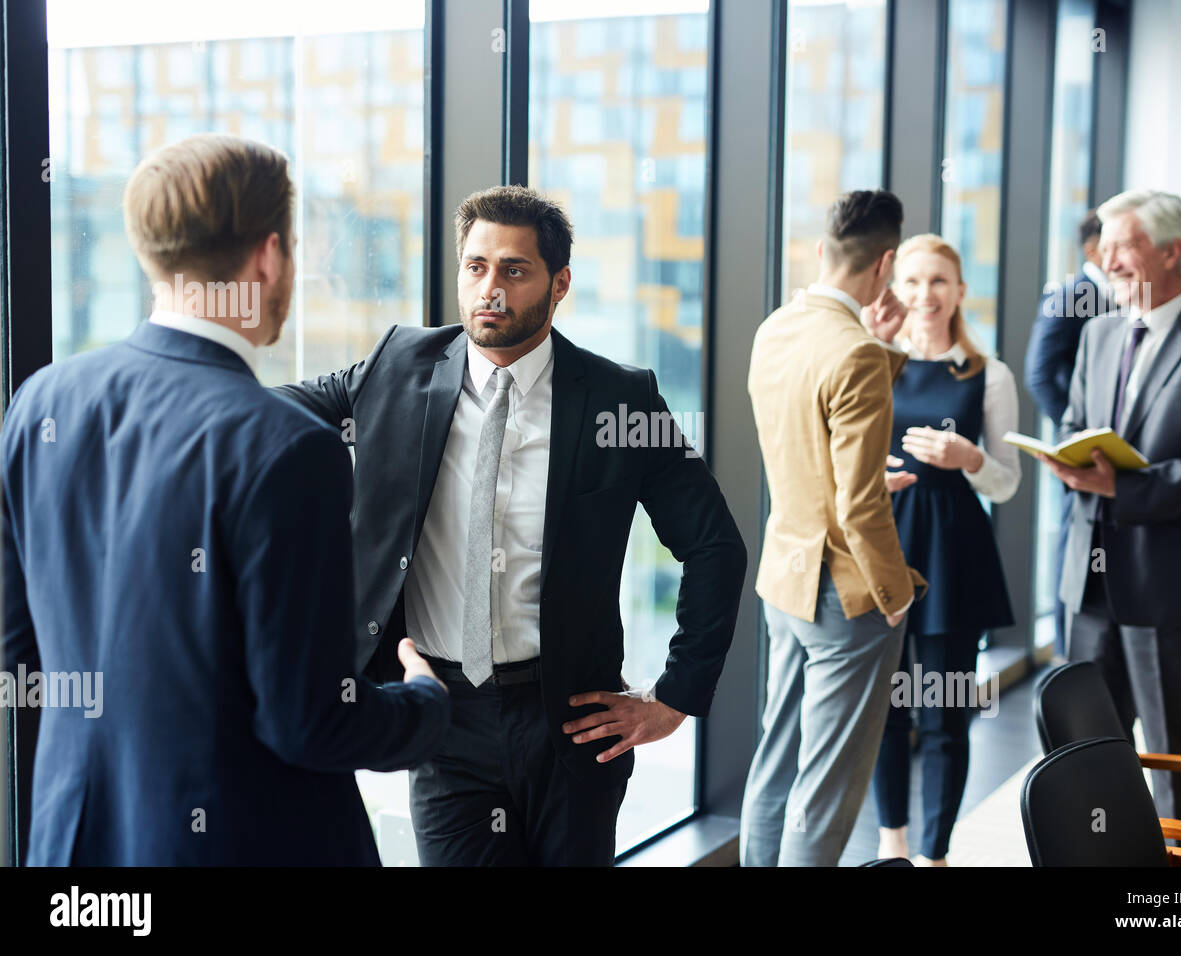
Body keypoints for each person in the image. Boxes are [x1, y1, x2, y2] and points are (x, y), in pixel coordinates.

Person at [1, 134, 450, 865]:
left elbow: (20, 655)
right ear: (269, 257)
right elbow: (310, 723)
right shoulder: (289, 447)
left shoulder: (41, 403)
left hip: (78, 853)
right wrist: (424, 705)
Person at [276, 185, 746, 867]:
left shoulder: (618, 399)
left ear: (559, 285)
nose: (489, 288)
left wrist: (675, 695)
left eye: (513, 270)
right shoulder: (395, 369)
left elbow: (714, 547)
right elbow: (268, 414)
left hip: (572, 718)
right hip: (442, 717)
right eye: (475, 267)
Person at [1042, 189, 1181, 840]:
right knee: (1085, 770)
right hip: (1088, 592)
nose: (1106, 259)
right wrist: (1067, 462)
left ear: (1172, 251)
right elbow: (1077, 427)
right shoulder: (1097, 335)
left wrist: (1121, 488)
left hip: (1175, 598)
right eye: (1103, 245)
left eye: (1123, 245)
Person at [741, 189, 926, 867]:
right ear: (886, 265)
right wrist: (895, 593)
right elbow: (860, 506)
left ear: (823, 252)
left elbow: (812, 442)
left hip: (784, 578)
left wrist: (883, 350)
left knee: (778, 759)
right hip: (845, 595)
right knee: (827, 784)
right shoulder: (857, 355)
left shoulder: (778, 328)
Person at [865, 233, 1019, 866]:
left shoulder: (989, 373)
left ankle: (935, 855)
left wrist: (970, 457)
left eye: (938, 282)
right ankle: (892, 843)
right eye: (912, 281)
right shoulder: (875, 358)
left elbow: (1006, 480)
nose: (925, 294)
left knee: (944, 715)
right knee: (883, 714)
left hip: (954, 554)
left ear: (960, 291)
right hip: (882, 543)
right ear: (895, 289)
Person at [1025, 211, 1114, 659]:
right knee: (1073, 548)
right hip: (1079, 450)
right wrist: (1074, 438)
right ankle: (1067, 653)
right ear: (1093, 249)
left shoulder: (1119, 298)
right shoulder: (1072, 295)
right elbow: (1039, 374)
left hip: (1107, 457)